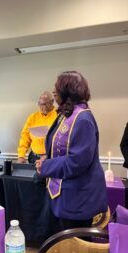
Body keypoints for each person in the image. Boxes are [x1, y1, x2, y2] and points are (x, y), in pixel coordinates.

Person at [36, 71, 108, 232]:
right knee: (62, 248)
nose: (54, 93)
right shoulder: (67, 114)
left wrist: (46, 166)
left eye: (57, 89)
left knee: (74, 252)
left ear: (68, 91)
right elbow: (61, 147)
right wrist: (46, 157)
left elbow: (77, 162)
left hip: (77, 199)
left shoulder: (82, 119)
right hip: (65, 195)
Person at [17, 91, 57, 164]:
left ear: (52, 102)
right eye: (40, 104)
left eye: (45, 104)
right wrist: (21, 156)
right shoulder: (32, 117)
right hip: (34, 157)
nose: (42, 107)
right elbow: (25, 137)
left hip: (51, 158)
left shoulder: (59, 116)